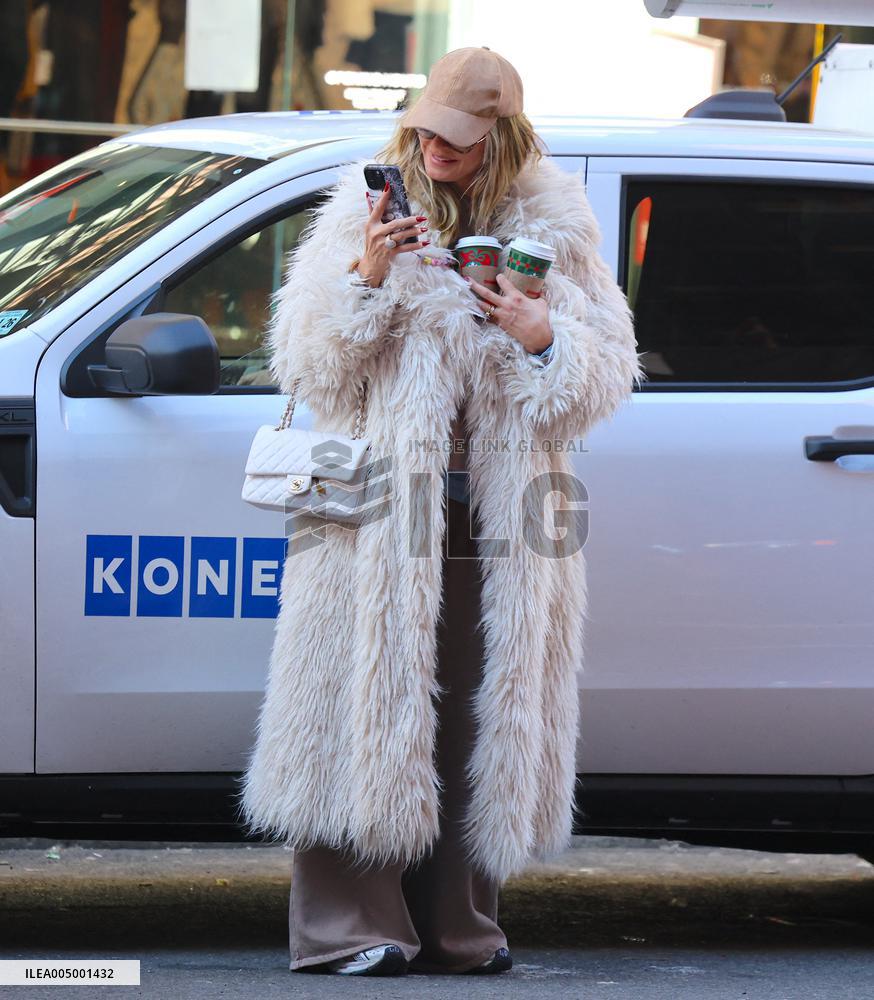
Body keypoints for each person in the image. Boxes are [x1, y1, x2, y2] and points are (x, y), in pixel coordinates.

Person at [236, 46, 644, 977]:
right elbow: (306, 366)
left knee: (475, 712)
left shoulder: (555, 228)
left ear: (503, 137)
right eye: (426, 130)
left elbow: (604, 377)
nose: (435, 147)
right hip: (376, 509)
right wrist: (366, 279)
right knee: (360, 701)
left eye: (457, 135)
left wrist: (542, 337)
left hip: (500, 517)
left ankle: (458, 925)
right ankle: (349, 926)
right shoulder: (364, 211)